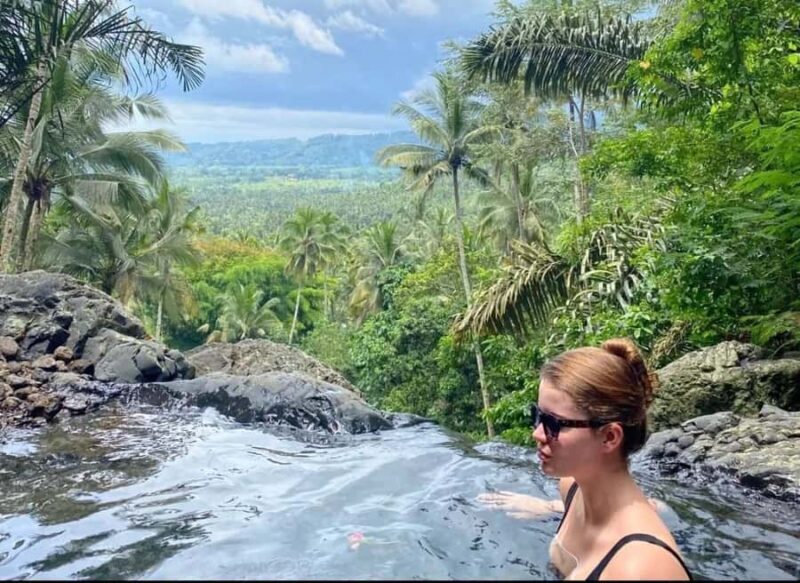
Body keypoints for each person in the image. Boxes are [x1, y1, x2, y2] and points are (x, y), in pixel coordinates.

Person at [478, 338, 692, 580]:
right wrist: (548, 508)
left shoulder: (643, 569)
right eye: (538, 416)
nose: (537, 433)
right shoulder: (571, 488)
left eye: (554, 424)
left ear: (609, 437)